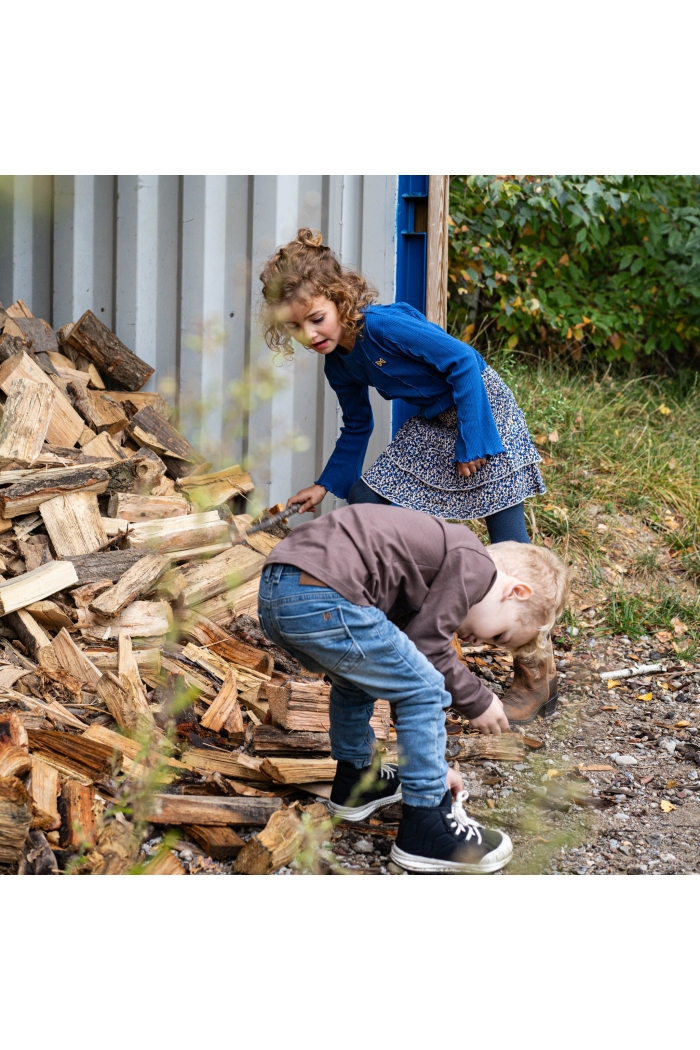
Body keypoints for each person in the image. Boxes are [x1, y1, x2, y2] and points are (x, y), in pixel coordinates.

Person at [259, 228, 556, 725]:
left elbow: (463, 360)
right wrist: (326, 485)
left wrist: (474, 440)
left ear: (340, 299)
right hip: (436, 421)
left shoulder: (383, 328)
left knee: (511, 540)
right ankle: (375, 632)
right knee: (367, 495)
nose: (311, 335)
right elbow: (358, 425)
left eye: (317, 319)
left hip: (481, 407)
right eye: (296, 329)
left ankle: (537, 673)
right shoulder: (340, 363)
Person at [258, 504, 570, 875]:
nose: (477, 641)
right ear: (515, 591)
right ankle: (427, 824)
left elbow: (404, 651)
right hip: (325, 593)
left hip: (280, 590)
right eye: (499, 635)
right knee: (425, 689)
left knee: (358, 679)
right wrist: (478, 700)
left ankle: (357, 779)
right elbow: (427, 647)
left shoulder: (429, 571)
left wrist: (433, 767)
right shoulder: (475, 564)